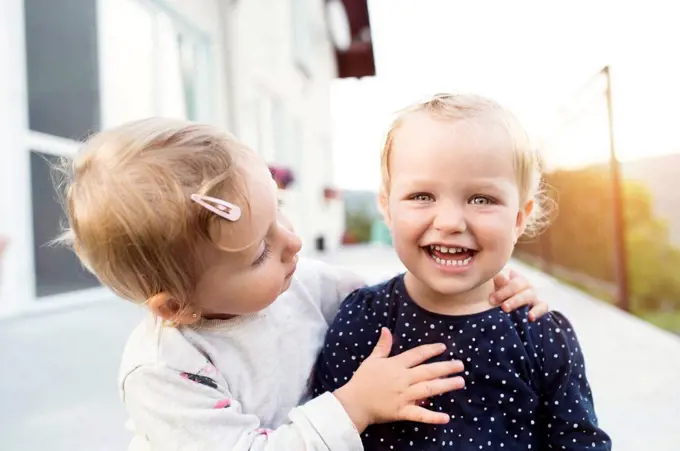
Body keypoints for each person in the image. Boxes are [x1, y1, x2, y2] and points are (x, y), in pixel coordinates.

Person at [57, 117, 550, 451]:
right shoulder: (165, 370)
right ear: (177, 307)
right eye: (258, 252)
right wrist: (353, 406)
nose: (292, 244)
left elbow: (405, 297)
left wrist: (489, 288)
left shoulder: (304, 282)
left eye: (279, 215)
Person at [312, 93, 612, 450]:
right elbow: (323, 434)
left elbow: (579, 441)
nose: (451, 222)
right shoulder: (363, 321)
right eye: (422, 195)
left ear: (519, 218)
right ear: (387, 208)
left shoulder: (541, 336)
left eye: (481, 199)